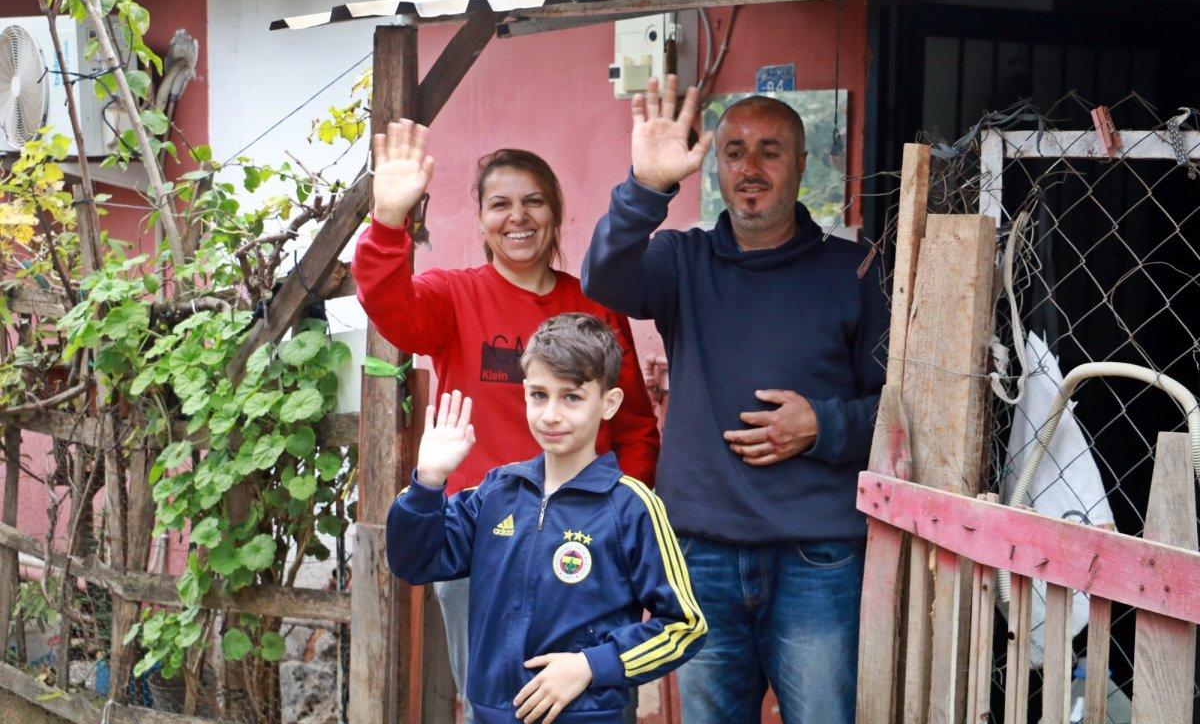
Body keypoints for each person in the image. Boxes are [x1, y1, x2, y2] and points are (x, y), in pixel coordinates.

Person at [582, 76, 887, 723]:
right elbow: (604, 278)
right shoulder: (679, 260)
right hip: (700, 554)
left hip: (818, 556)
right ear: (716, 165)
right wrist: (646, 187)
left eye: (770, 150)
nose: (750, 167)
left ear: (804, 164)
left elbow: (896, 412)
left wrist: (822, 424)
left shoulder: (855, 271)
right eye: (735, 150)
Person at [352, 121, 659, 723]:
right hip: (481, 543)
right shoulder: (451, 296)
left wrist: (624, 517)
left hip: (586, 545)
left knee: (591, 699)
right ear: (482, 219)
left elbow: (635, 427)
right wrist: (388, 224)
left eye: (533, 202)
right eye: (500, 204)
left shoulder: (594, 303)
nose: (517, 218)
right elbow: (387, 303)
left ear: (556, 213)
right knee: (493, 706)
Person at [386, 314, 706, 724]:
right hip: (487, 715)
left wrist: (592, 665)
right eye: (539, 395)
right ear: (524, 394)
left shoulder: (632, 506)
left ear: (609, 403)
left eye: (571, 397)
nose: (551, 414)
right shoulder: (495, 492)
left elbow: (684, 627)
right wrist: (428, 482)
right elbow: (413, 562)